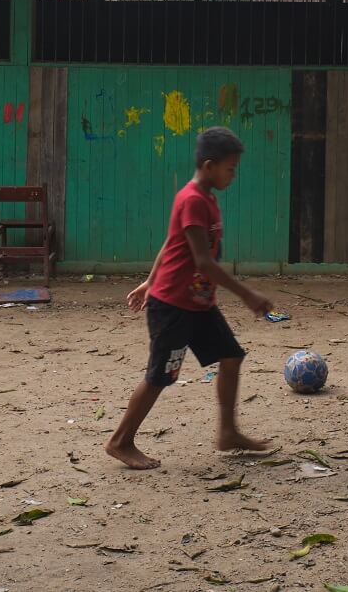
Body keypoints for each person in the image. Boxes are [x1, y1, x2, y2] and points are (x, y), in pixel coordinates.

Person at [105, 126, 274, 470]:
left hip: (198, 304)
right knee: (160, 376)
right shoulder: (193, 199)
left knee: (231, 356)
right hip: (174, 307)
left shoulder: (207, 198)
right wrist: (247, 294)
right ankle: (120, 441)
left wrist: (148, 280)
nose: (234, 174)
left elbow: (171, 243)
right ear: (210, 165)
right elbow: (202, 261)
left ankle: (227, 432)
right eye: (230, 168)